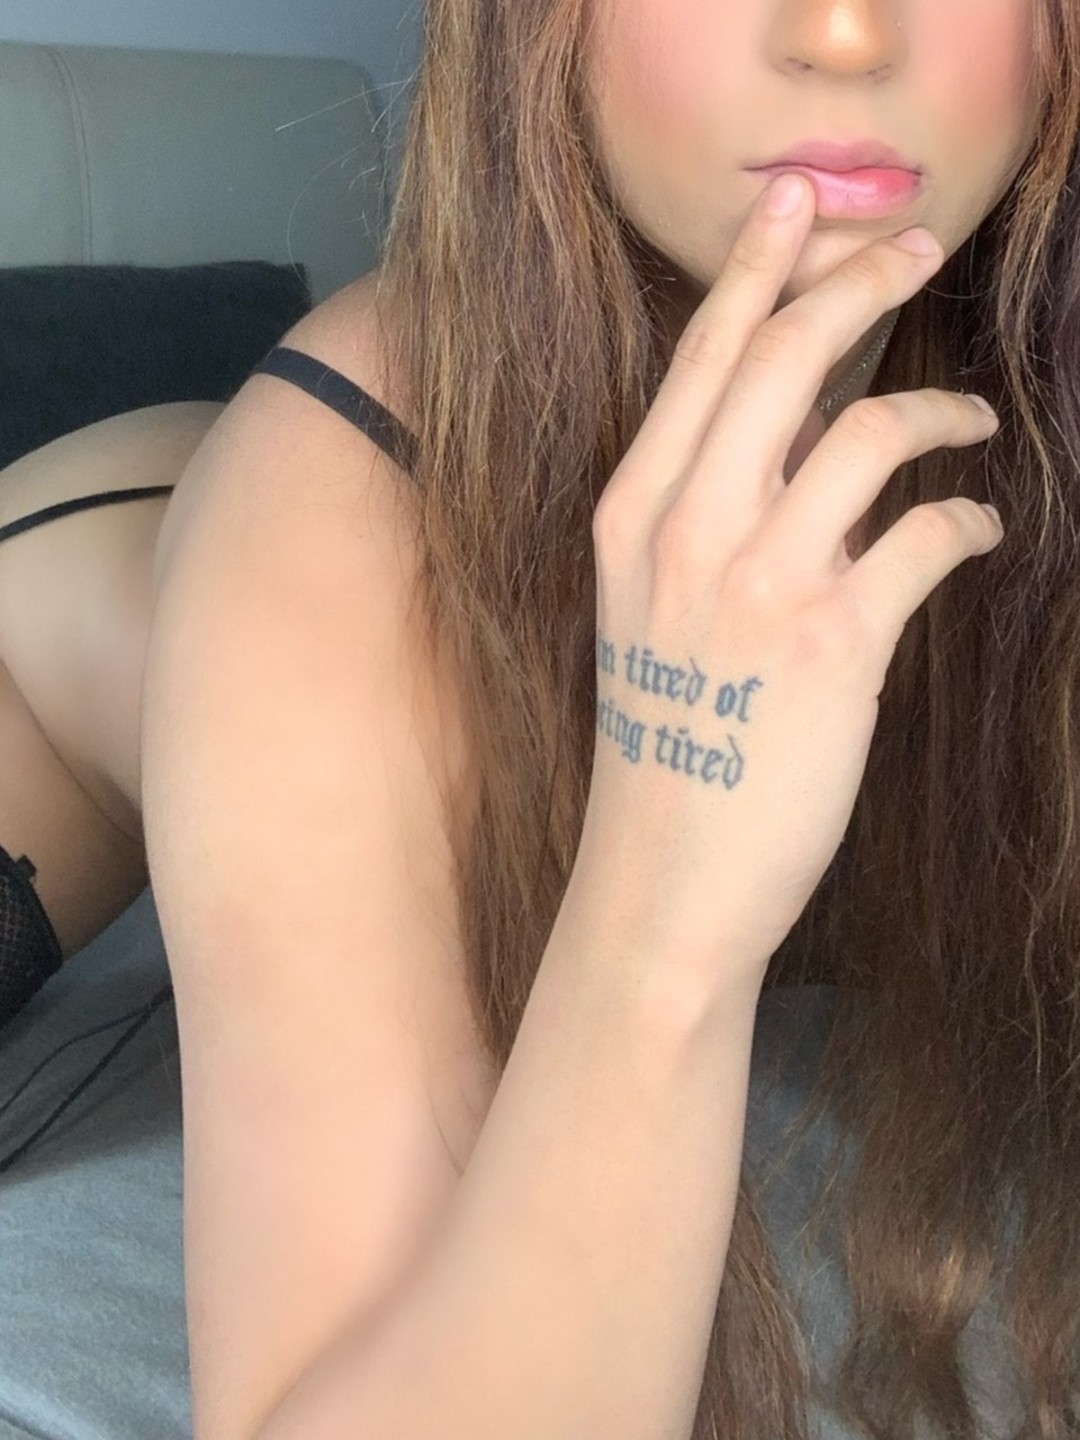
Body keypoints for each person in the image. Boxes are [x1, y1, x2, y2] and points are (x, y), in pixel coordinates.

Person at [1, 0, 1074, 1433]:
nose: (842, 32)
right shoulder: (337, 501)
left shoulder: (1037, 414)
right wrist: (669, 911)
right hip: (57, 672)